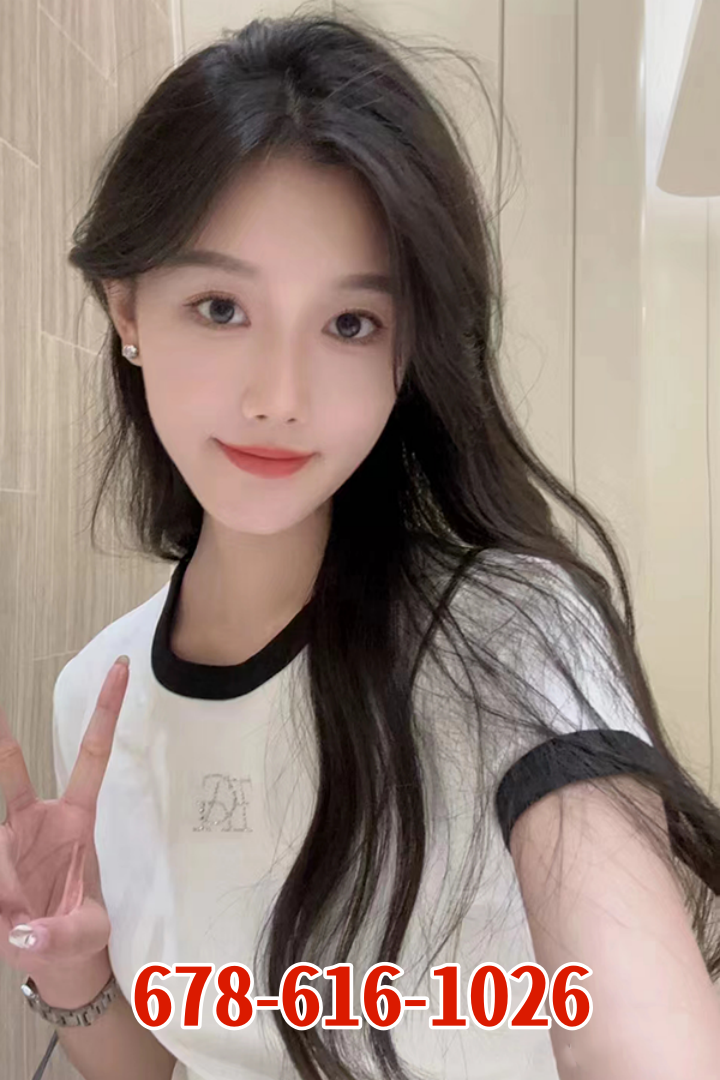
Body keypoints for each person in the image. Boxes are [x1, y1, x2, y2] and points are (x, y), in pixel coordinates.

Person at [1, 9, 719, 1080]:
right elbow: (168, 1065)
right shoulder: (97, 695)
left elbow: (650, 1044)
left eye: (350, 324)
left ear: (408, 350)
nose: (279, 397)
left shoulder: (507, 637)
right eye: (220, 306)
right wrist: (69, 970)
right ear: (128, 310)